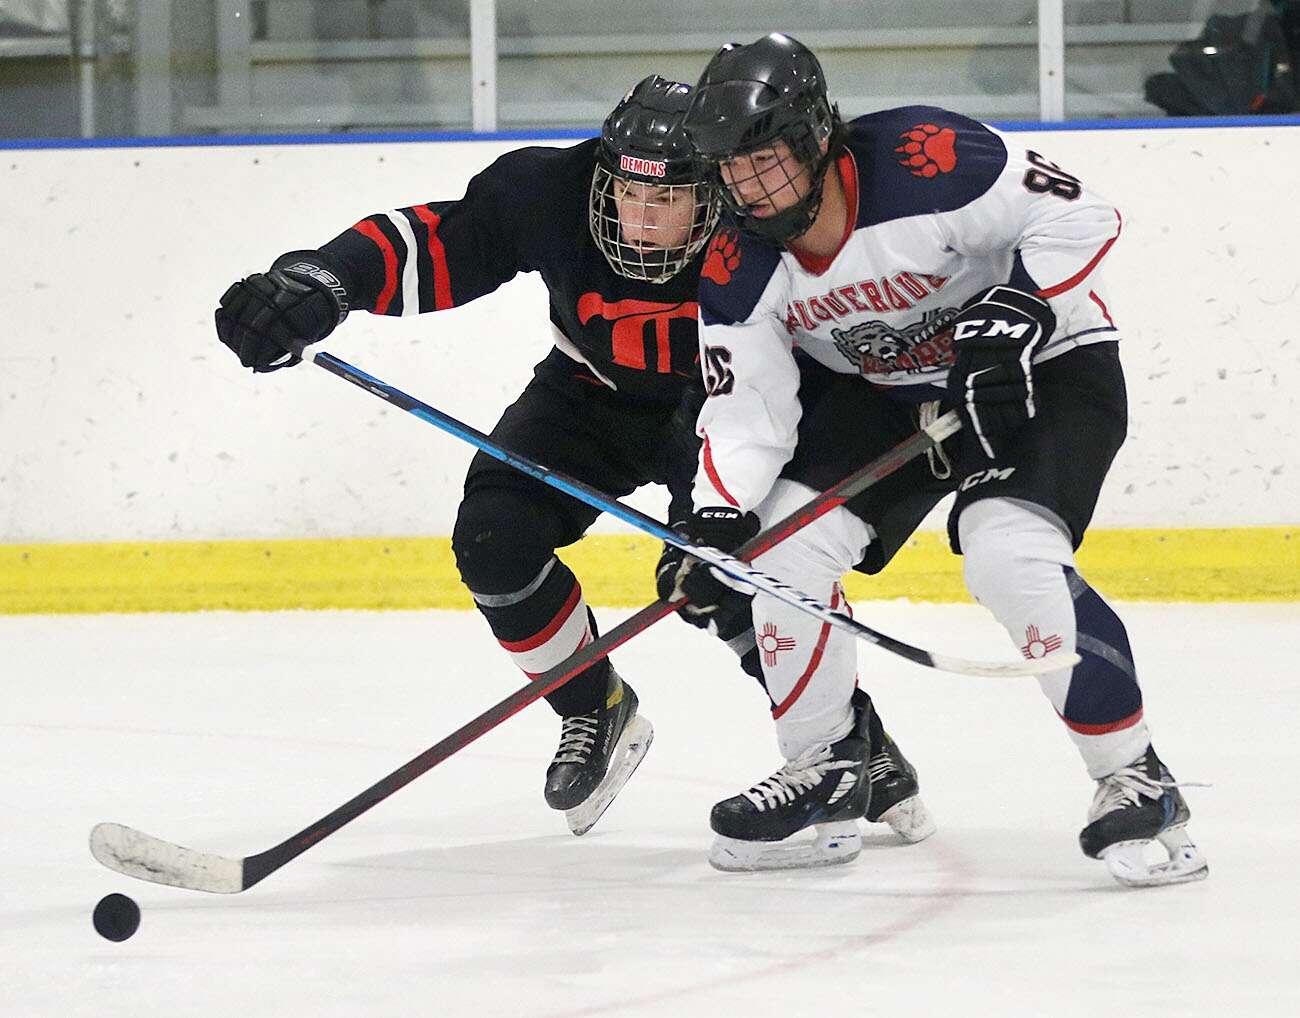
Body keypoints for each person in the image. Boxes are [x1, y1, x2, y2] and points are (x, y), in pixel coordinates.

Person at [212, 75, 932, 845]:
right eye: (627, 196)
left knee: (727, 584)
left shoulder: (761, 221)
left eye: (666, 203)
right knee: (493, 537)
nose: (641, 218)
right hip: (588, 397)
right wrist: (320, 281)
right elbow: (443, 239)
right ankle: (593, 706)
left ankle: (851, 740)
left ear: (714, 193)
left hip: (730, 411)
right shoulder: (553, 189)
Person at [661, 33, 1206, 886]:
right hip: (887, 397)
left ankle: (1136, 778)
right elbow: (748, 408)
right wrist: (714, 514)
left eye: (764, 160)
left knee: (1006, 549)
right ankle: (830, 765)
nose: (748, 189)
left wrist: (1018, 309)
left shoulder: (928, 157)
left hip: (1039, 370)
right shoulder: (737, 261)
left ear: (813, 137)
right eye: (730, 170)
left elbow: (1081, 212)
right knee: (775, 549)